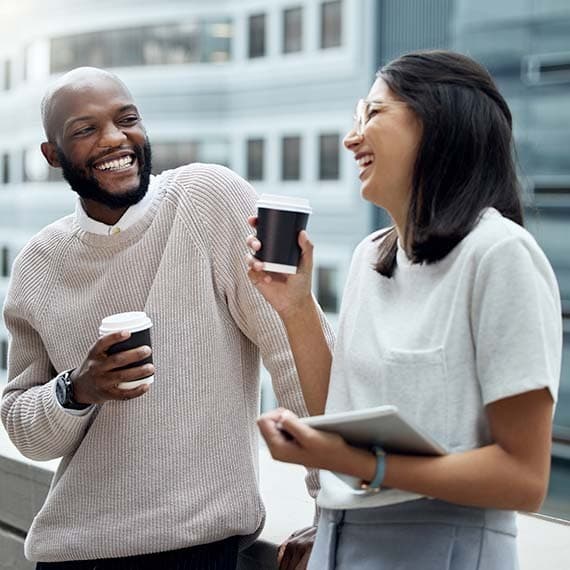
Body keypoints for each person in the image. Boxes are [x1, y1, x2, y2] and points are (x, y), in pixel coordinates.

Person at [0, 67, 333, 569]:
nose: (115, 139)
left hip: (196, 549)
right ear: (53, 156)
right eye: (85, 130)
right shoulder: (38, 263)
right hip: (69, 552)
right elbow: (25, 429)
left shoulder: (208, 199)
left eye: (126, 119)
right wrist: (78, 389)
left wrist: (328, 506)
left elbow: (292, 352)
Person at [248, 50, 562, 569]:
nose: (351, 139)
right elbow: (345, 414)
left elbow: (524, 480)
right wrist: (297, 308)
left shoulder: (499, 255)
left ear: (438, 122)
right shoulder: (369, 257)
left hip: (444, 546)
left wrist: (355, 463)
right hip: (339, 539)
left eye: (372, 114)